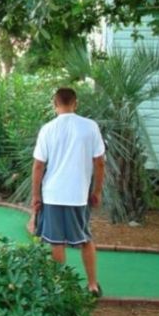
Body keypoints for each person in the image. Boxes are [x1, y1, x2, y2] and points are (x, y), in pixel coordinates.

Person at [32, 87, 105, 297]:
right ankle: (92, 285)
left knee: (56, 241)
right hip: (78, 195)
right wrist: (97, 191)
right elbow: (100, 163)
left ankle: (59, 288)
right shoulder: (90, 127)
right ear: (76, 103)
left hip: (53, 194)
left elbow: (38, 166)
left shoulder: (47, 129)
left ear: (55, 104)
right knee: (85, 239)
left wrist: (36, 196)